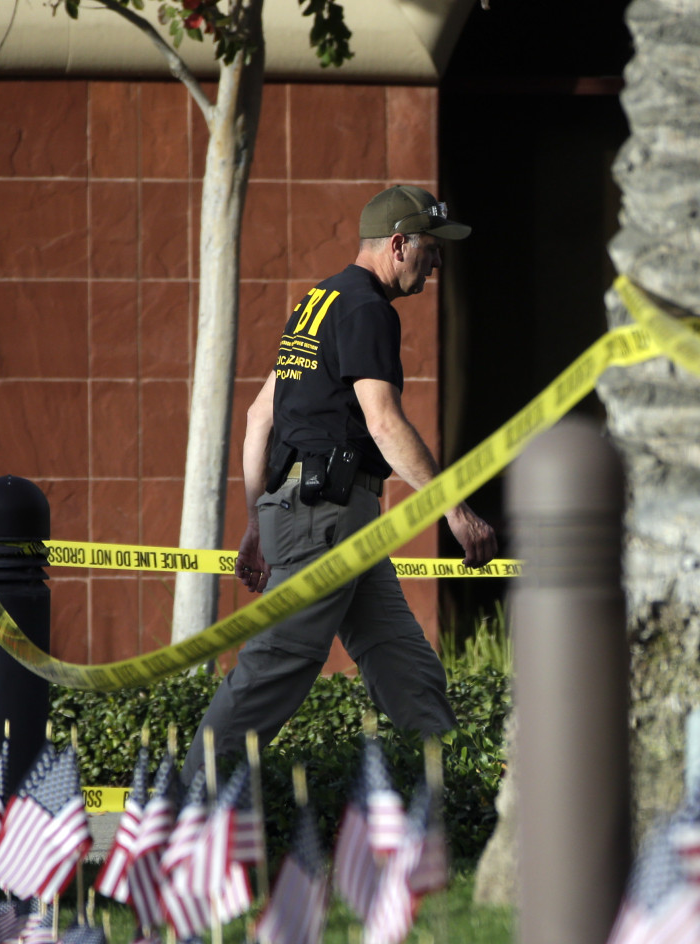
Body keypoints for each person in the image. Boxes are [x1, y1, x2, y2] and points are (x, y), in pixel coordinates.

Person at [185, 186, 497, 779]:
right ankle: (184, 804)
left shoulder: (316, 304)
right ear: (399, 244)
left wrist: (257, 519)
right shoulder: (365, 310)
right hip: (325, 517)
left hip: (324, 516)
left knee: (404, 665)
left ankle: (448, 802)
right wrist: (453, 508)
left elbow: (259, 419)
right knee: (280, 661)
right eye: (431, 249)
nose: (436, 263)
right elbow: (382, 421)